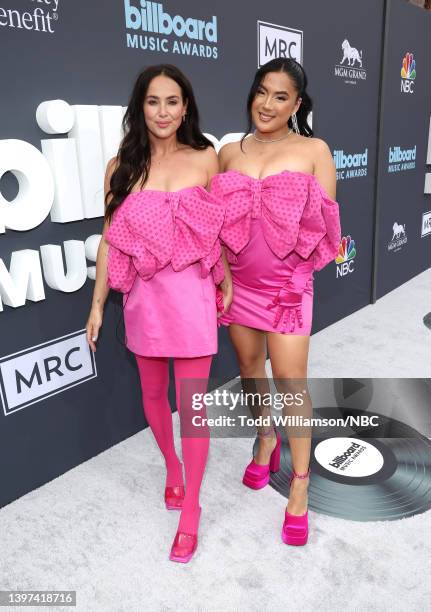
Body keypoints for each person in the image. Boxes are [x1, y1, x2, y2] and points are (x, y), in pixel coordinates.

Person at [85, 64, 232, 563]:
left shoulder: (206, 159)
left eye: (172, 101)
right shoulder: (120, 168)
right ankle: (171, 465)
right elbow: (109, 240)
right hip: (144, 300)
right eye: (153, 102)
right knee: (152, 395)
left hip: (192, 299)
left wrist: (226, 281)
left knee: (191, 408)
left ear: (186, 106)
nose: (163, 112)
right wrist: (98, 304)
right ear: (139, 107)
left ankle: (191, 510)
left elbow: (218, 233)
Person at [211, 57, 341, 546]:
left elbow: (326, 229)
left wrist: (298, 278)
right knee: (250, 371)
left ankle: (302, 483)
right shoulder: (228, 152)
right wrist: (221, 277)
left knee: (290, 382)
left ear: (297, 103)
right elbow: (216, 227)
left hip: (289, 288)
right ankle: (265, 436)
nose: (267, 104)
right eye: (261, 92)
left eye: (280, 96)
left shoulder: (314, 150)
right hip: (237, 287)